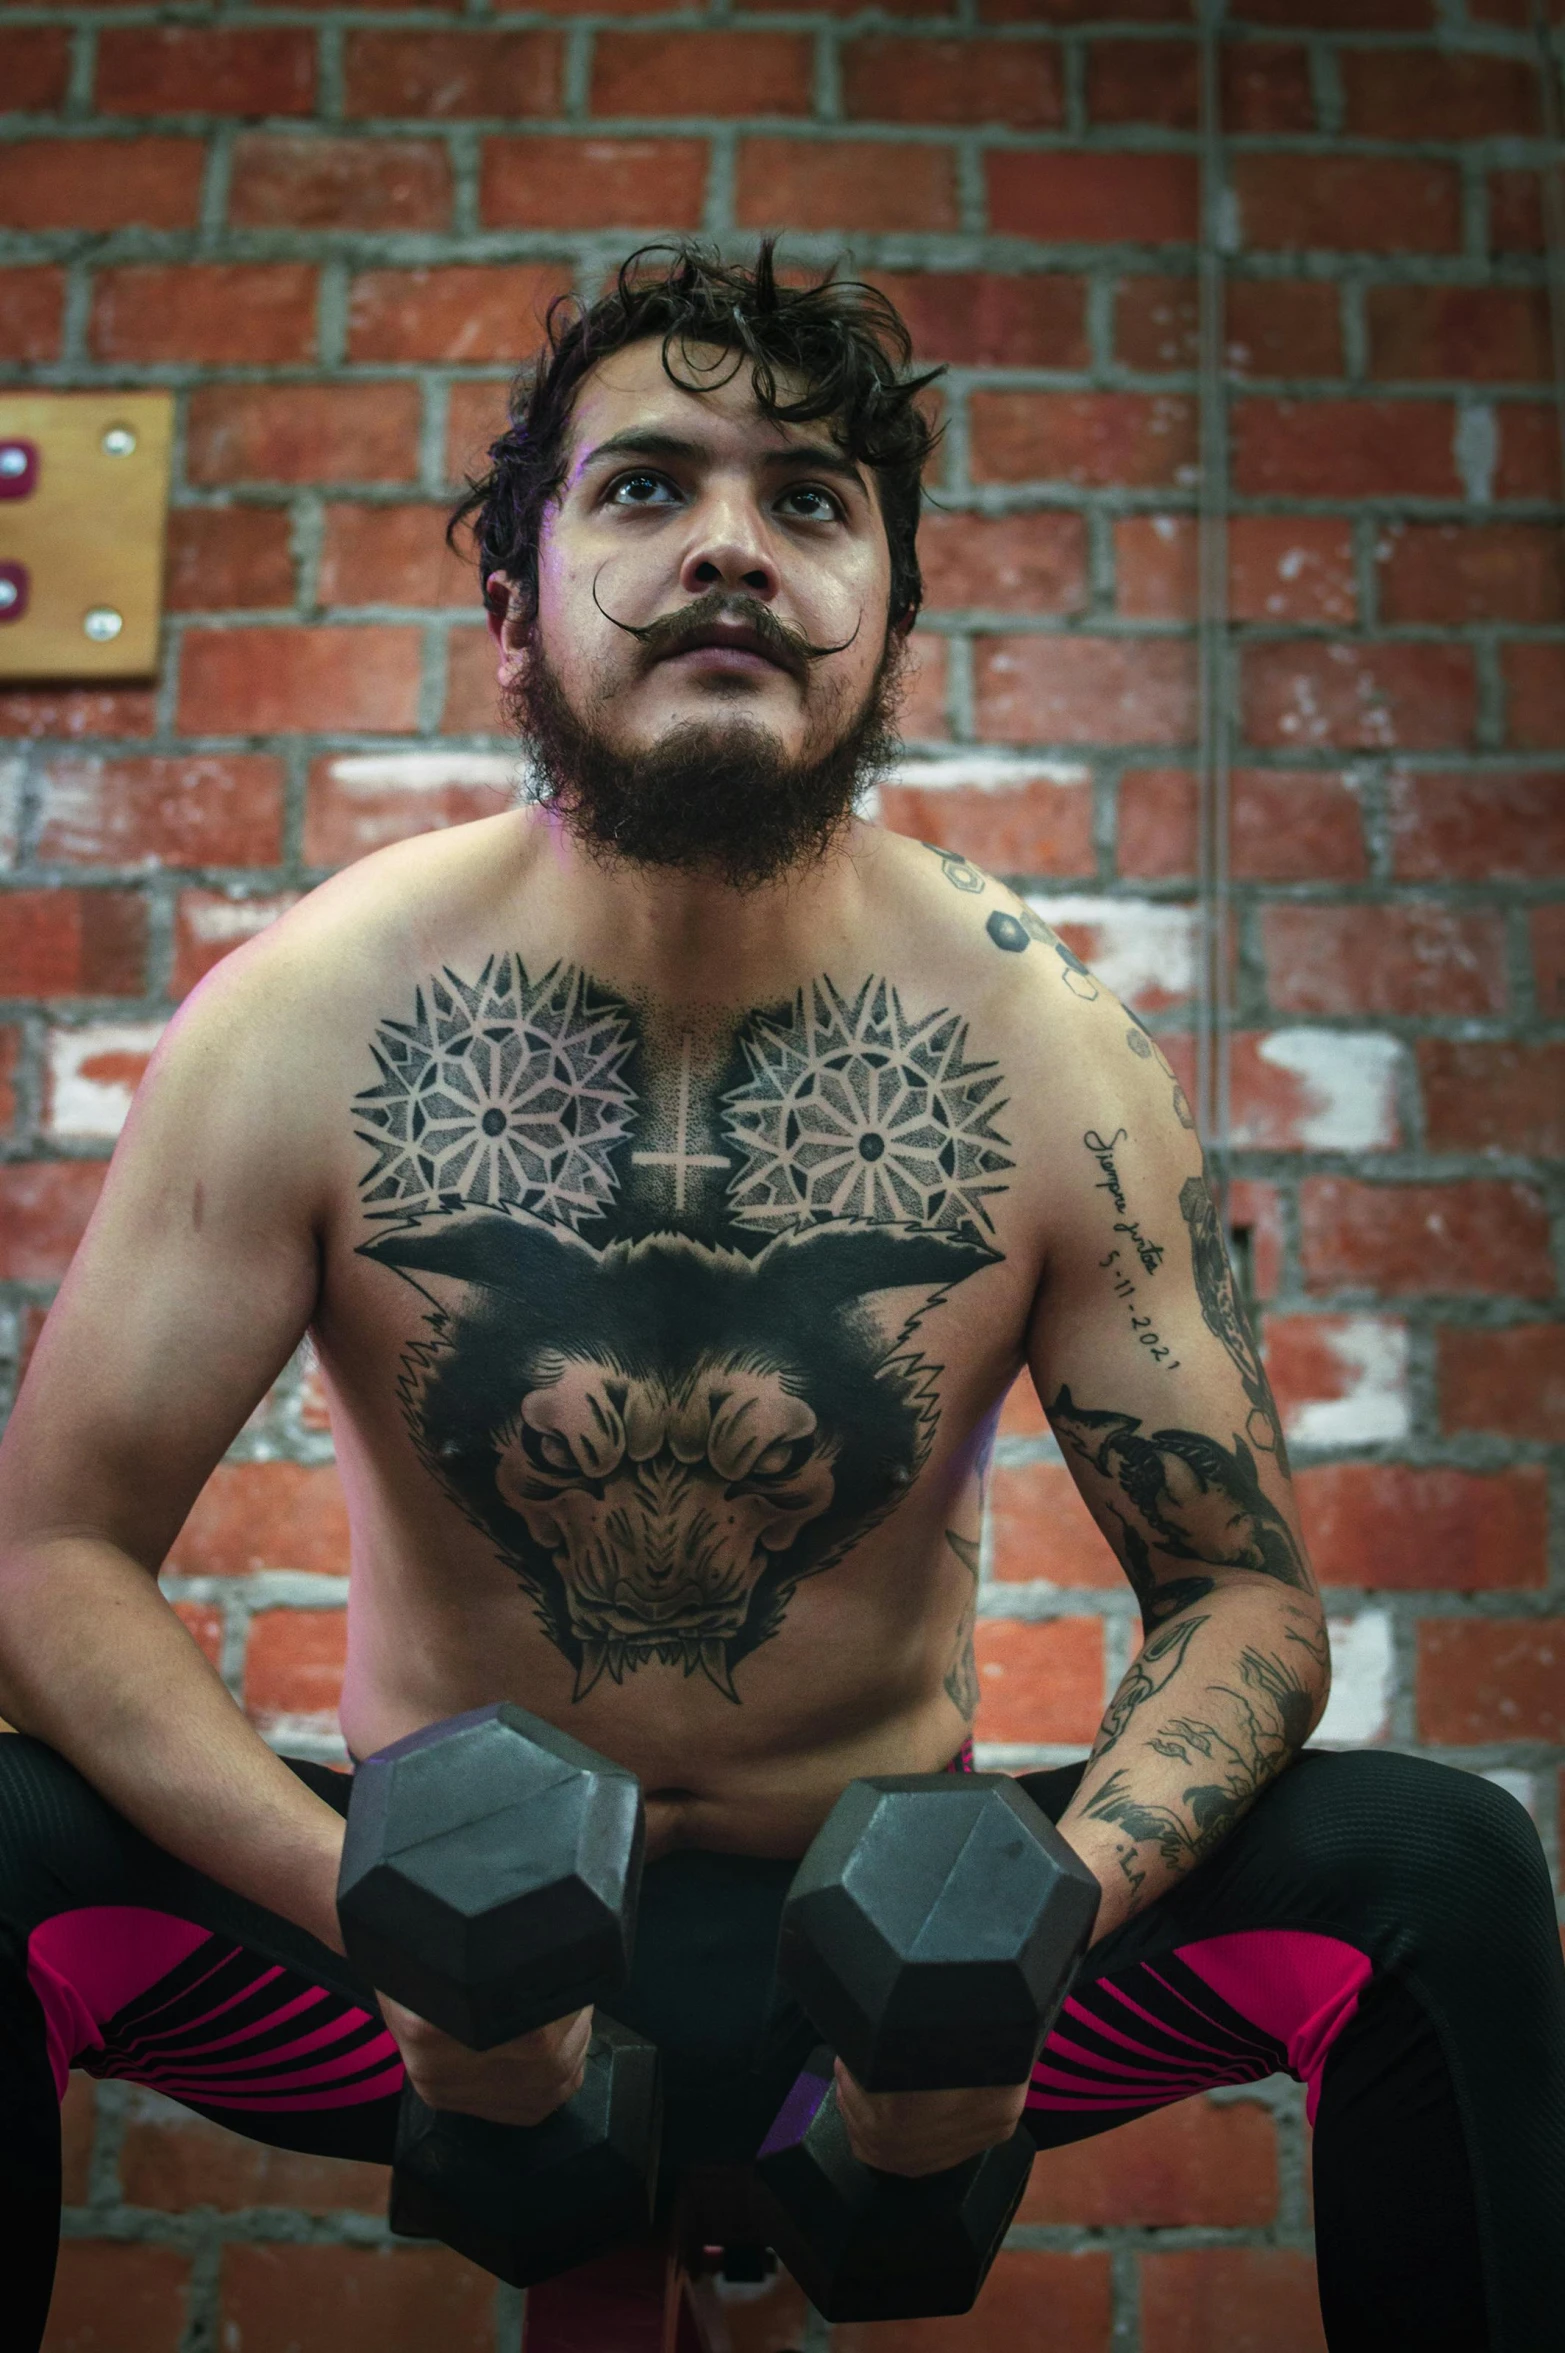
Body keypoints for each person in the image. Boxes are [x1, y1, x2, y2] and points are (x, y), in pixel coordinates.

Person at [0, 243, 1558, 2352]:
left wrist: (1030, 1916)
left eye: (809, 500)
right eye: (646, 486)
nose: (731, 541)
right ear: (509, 612)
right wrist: (360, 1896)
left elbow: (1243, 1599)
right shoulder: (304, 1025)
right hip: (406, 1968)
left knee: (1440, 1875)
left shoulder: (1050, 1064)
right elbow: (49, 1552)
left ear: (884, 624)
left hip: (893, 1980)